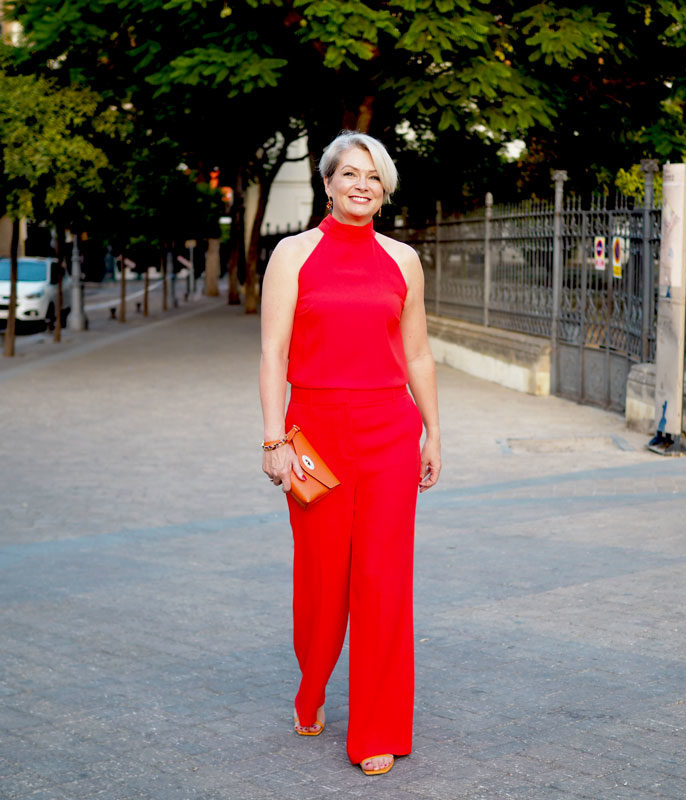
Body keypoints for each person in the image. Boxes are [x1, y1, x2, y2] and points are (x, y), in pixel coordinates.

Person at [259, 130, 441, 776]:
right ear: (328, 183)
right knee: (320, 579)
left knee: (384, 583)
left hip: (390, 431)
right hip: (314, 435)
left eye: (373, 177)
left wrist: (433, 432)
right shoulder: (292, 255)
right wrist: (273, 439)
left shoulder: (404, 261)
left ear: (383, 191)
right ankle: (312, 689)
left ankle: (375, 730)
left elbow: (417, 353)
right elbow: (273, 353)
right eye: (350, 175)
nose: (361, 185)